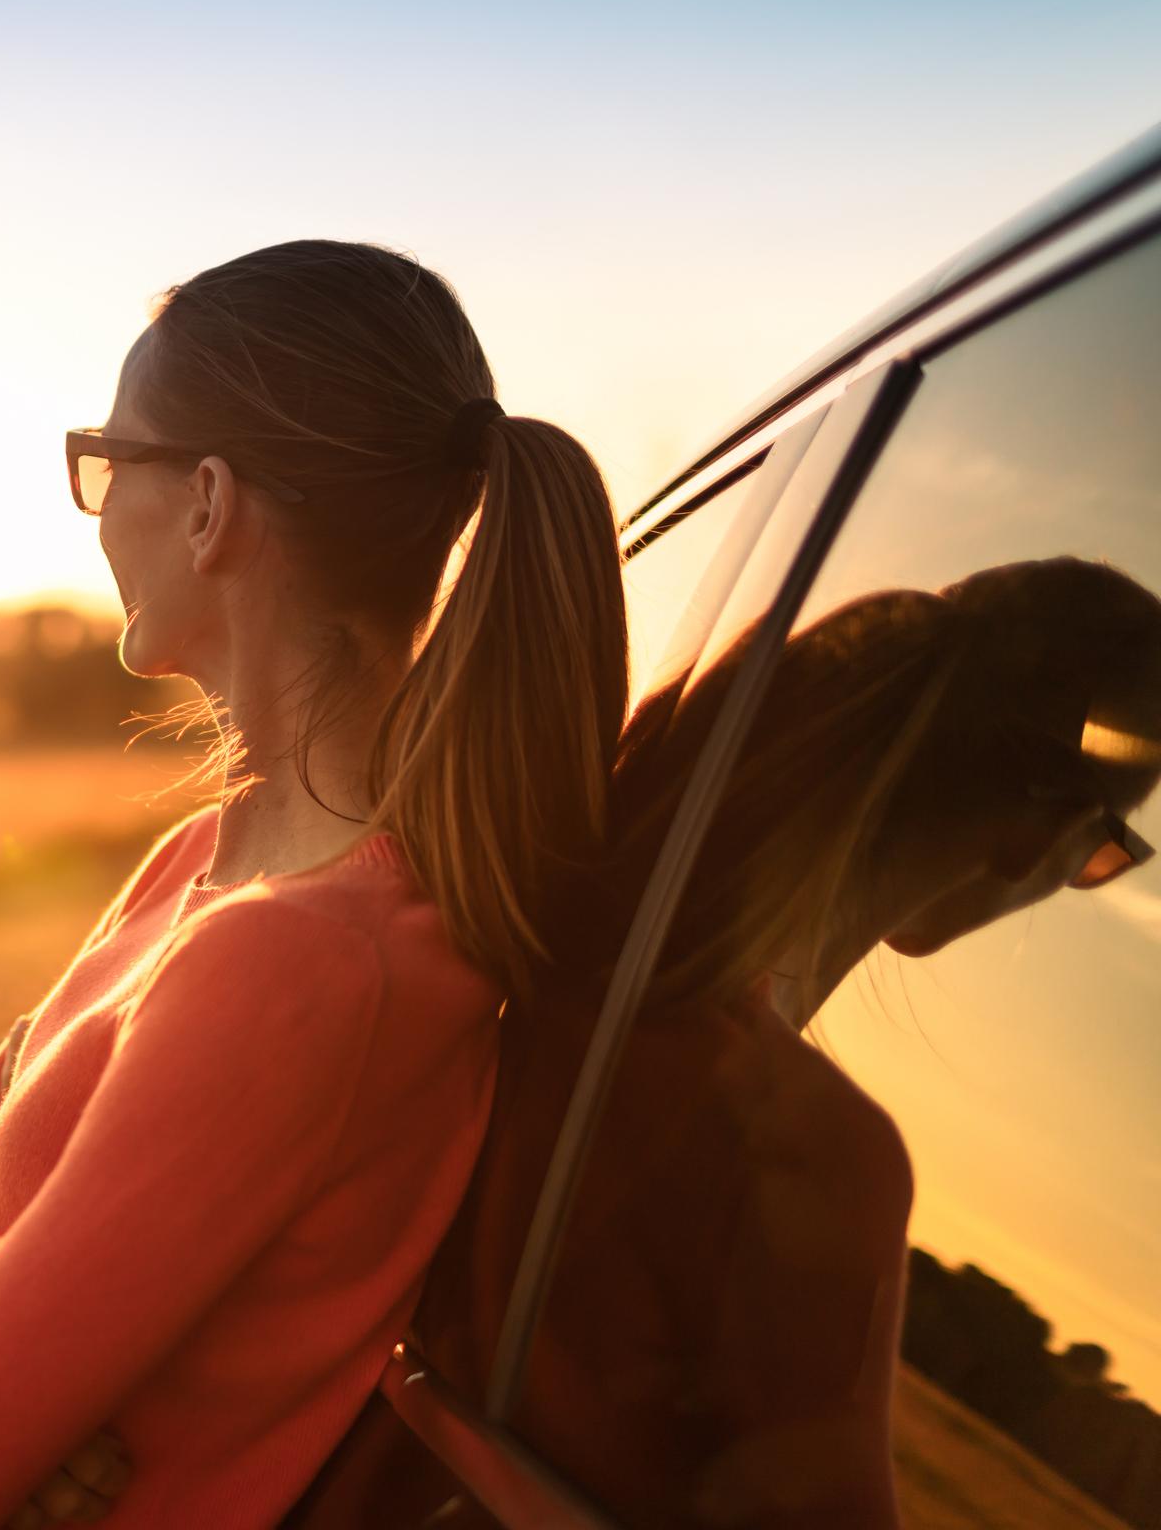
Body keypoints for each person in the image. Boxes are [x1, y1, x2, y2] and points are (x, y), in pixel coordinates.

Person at [0, 239, 630, 1529]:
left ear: (205, 502)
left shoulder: (301, 966)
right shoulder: (206, 863)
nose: (95, 509)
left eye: (105, 461)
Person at [285, 555, 1161, 1528]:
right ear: (1035, 834)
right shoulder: (804, 1145)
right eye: (1107, 850)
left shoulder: (533, 933)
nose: (1084, 869)